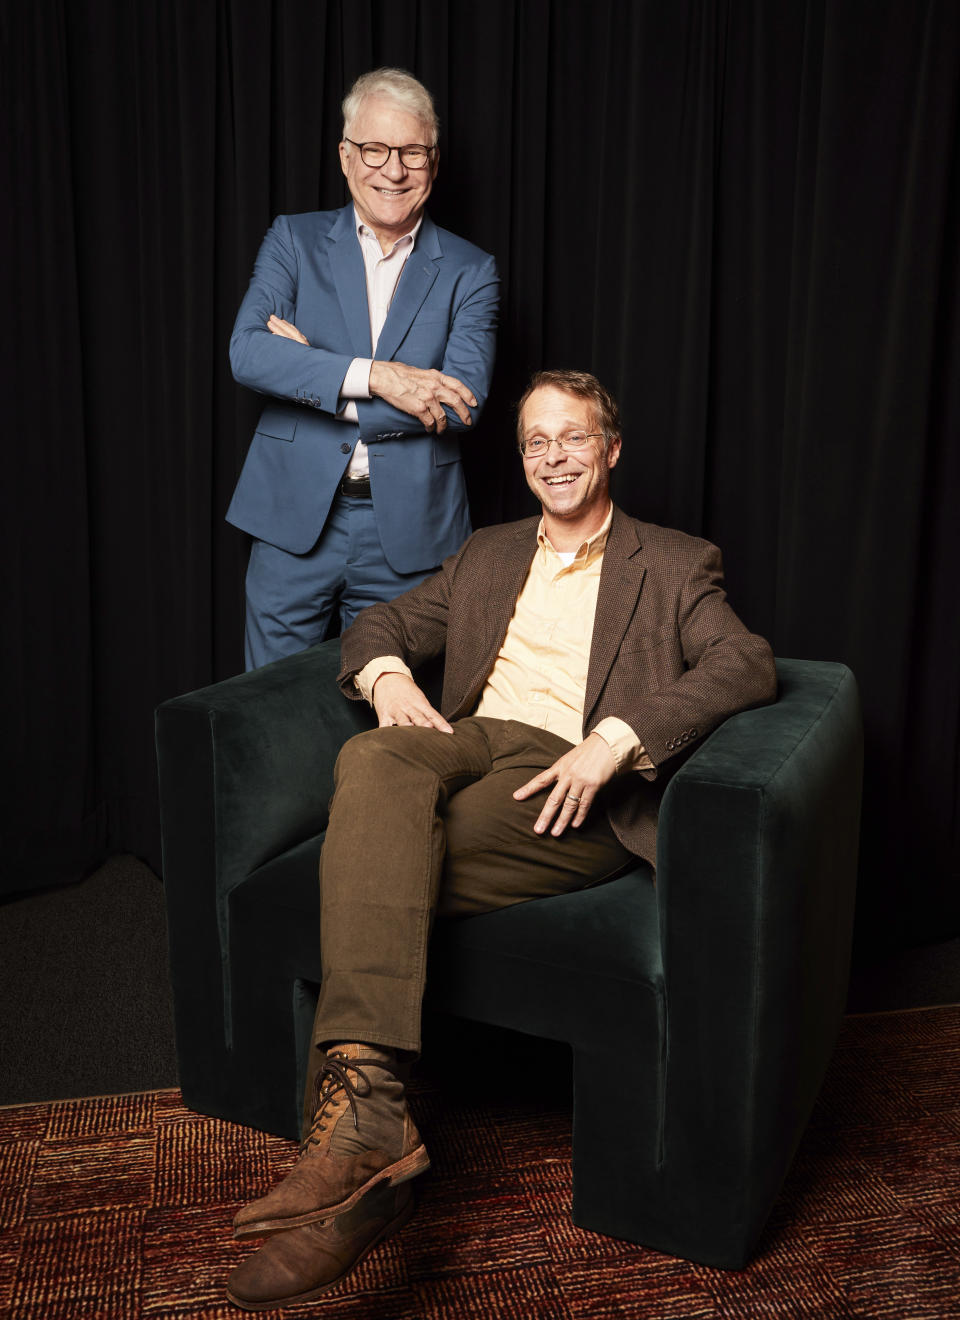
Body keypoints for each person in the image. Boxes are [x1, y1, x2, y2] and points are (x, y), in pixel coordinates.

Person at [225, 369, 777, 1309]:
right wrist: (392, 676)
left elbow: (747, 663)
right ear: (520, 459)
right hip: (473, 736)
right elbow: (383, 622)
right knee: (373, 764)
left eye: (572, 438)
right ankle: (375, 1129)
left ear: (609, 449)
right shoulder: (486, 554)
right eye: (534, 442)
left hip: (567, 779)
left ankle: (358, 1158)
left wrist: (617, 740)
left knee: (377, 852)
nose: (552, 456)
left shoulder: (675, 563)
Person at [226, 68, 499, 669]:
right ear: (347, 157)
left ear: (433, 160)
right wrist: (382, 378)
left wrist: (308, 369)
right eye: (375, 150)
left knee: (394, 725)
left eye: (412, 152)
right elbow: (247, 353)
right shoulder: (292, 241)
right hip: (291, 519)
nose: (394, 170)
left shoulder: (470, 270)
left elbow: (463, 402)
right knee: (268, 710)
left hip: (409, 532)